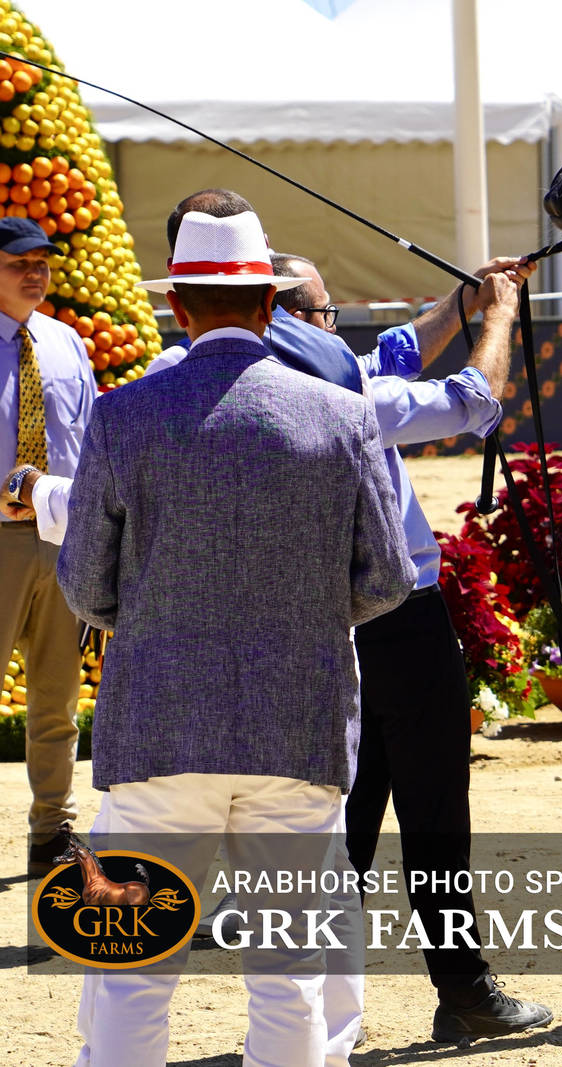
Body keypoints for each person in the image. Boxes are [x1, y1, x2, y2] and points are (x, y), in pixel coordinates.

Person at [56, 209, 417, 1067]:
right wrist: (300, 618)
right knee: (288, 972)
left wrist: (150, 618)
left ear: (177, 308)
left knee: (133, 965)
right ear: (269, 306)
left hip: (158, 727)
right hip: (295, 725)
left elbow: (84, 584)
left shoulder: (123, 417)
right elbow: (388, 580)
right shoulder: (341, 415)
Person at [277, 248, 557, 1045]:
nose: (340, 326)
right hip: (396, 616)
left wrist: (461, 299)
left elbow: (399, 350)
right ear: (300, 319)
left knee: (348, 813)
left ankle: (327, 1007)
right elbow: (473, 398)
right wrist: (497, 315)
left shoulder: (293, 375)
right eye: (329, 313)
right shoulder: (346, 391)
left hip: (322, 619)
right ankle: (462, 987)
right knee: (428, 806)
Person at [0, 215, 94, 877]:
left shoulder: (66, 342)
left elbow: (90, 439)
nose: (35, 272)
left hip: (62, 543)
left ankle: (51, 833)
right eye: (18, 263)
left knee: (56, 699)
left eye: (42, 261)